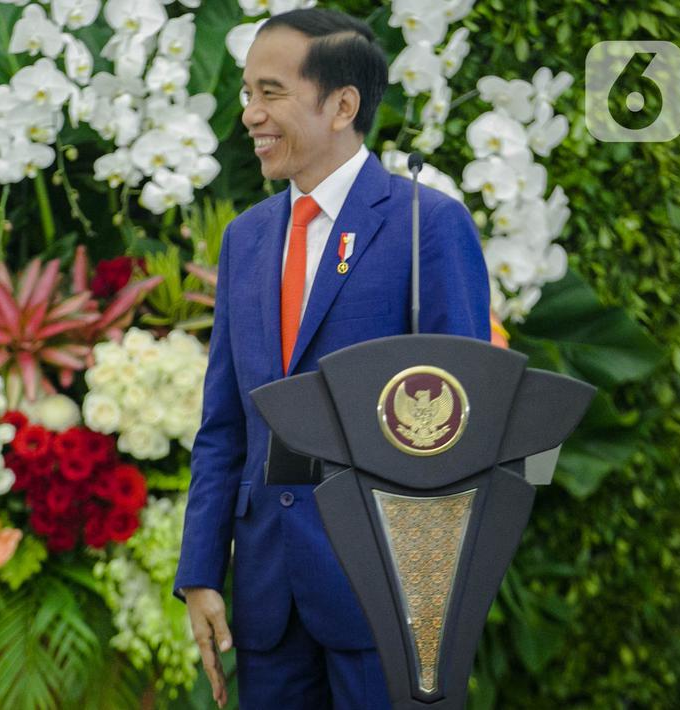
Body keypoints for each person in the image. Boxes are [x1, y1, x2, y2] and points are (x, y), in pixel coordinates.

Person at [175, 9, 490, 709]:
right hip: (266, 599)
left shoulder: (424, 226)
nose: (250, 115)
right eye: (245, 94)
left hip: (388, 601)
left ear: (342, 104)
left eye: (270, 93)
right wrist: (199, 572)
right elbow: (224, 424)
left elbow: (464, 429)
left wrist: (437, 596)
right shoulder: (245, 239)